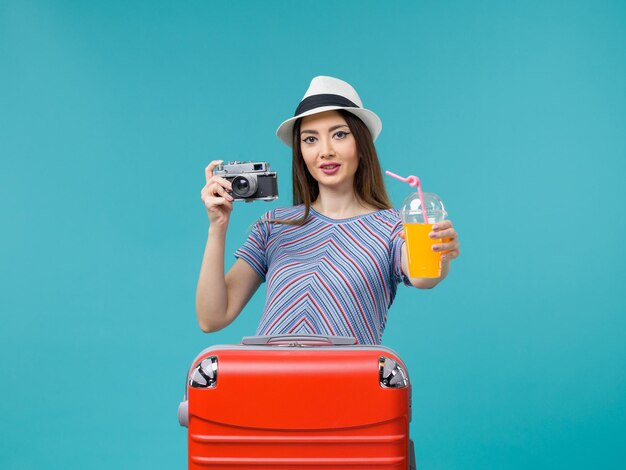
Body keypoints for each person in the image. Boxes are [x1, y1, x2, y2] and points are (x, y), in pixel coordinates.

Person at [196, 76, 460, 344]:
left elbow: (424, 276)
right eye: (310, 139)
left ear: (361, 143)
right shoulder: (275, 226)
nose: (325, 151)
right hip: (270, 381)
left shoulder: (392, 228)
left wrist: (440, 251)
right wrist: (217, 227)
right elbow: (212, 317)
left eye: (339, 134)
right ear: (300, 152)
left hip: (350, 383)